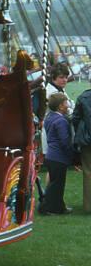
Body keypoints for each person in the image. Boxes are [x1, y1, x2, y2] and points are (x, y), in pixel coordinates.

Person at [39, 93, 74, 215]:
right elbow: (64, 141)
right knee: (56, 186)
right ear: (60, 106)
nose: (67, 105)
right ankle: (46, 208)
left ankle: (59, 208)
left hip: (51, 156)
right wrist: (72, 155)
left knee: (56, 184)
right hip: (58, 157)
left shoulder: (50, 117)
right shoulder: (60, 121)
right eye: (65, 103)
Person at [43, 63, 73, 153]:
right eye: (61, 77)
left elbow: (70, 104)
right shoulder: (52, 92)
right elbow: (67, 110)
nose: (65, 80)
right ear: (53, 78)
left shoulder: (60, 89)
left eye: (66, 77)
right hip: (54, 127)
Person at [71, 84, 91, 213]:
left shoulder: (84, 96)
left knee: (88, 172)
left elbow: (75, 118)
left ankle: (89, 206)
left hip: (86, 140)